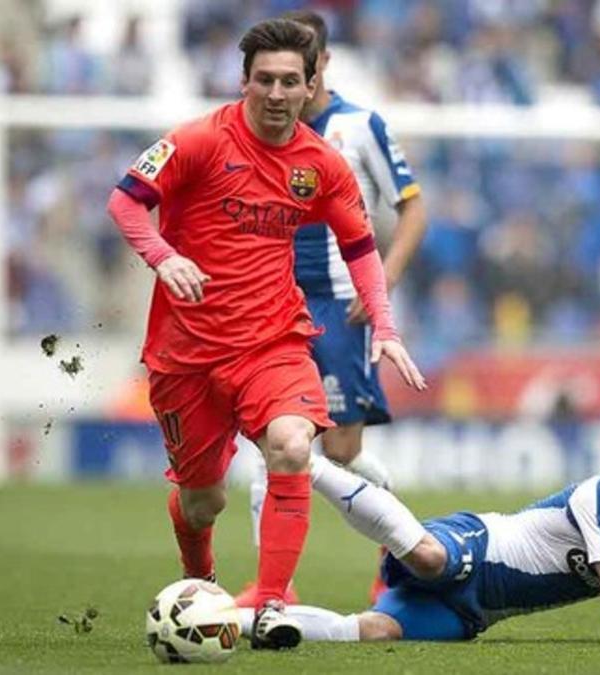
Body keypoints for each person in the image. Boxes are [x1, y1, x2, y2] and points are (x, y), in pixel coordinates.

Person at [105, 18, 426, 650]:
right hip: (186, 353)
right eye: (264, 80)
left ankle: (275, 603)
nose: (276, 94)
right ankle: (202, 586)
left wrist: (383, 323)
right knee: (202, 503)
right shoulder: (197, 141)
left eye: (289, 82)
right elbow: (124, 202)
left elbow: (360, 245)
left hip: (272, 343)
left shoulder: (321, 164)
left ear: (312, 86)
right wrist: (165, 257)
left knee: (290, 445)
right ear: (243, 82)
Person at [237, 428, 600, 645]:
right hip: (473, 546)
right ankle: (305, 465)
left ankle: (228, 625)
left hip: (472, 613)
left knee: (373, 632)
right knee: (427, 556)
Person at [238, 9, 429, 608]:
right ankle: (275, 589)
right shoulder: (256, 126)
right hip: (277, 310)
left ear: (321, 63)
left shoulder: (359, 126)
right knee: (276, 447)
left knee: (342, 453)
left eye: (306, 63)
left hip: (342, 306)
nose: (295, 79)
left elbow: (413, 208)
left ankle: (396, 545)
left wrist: (383, 286)